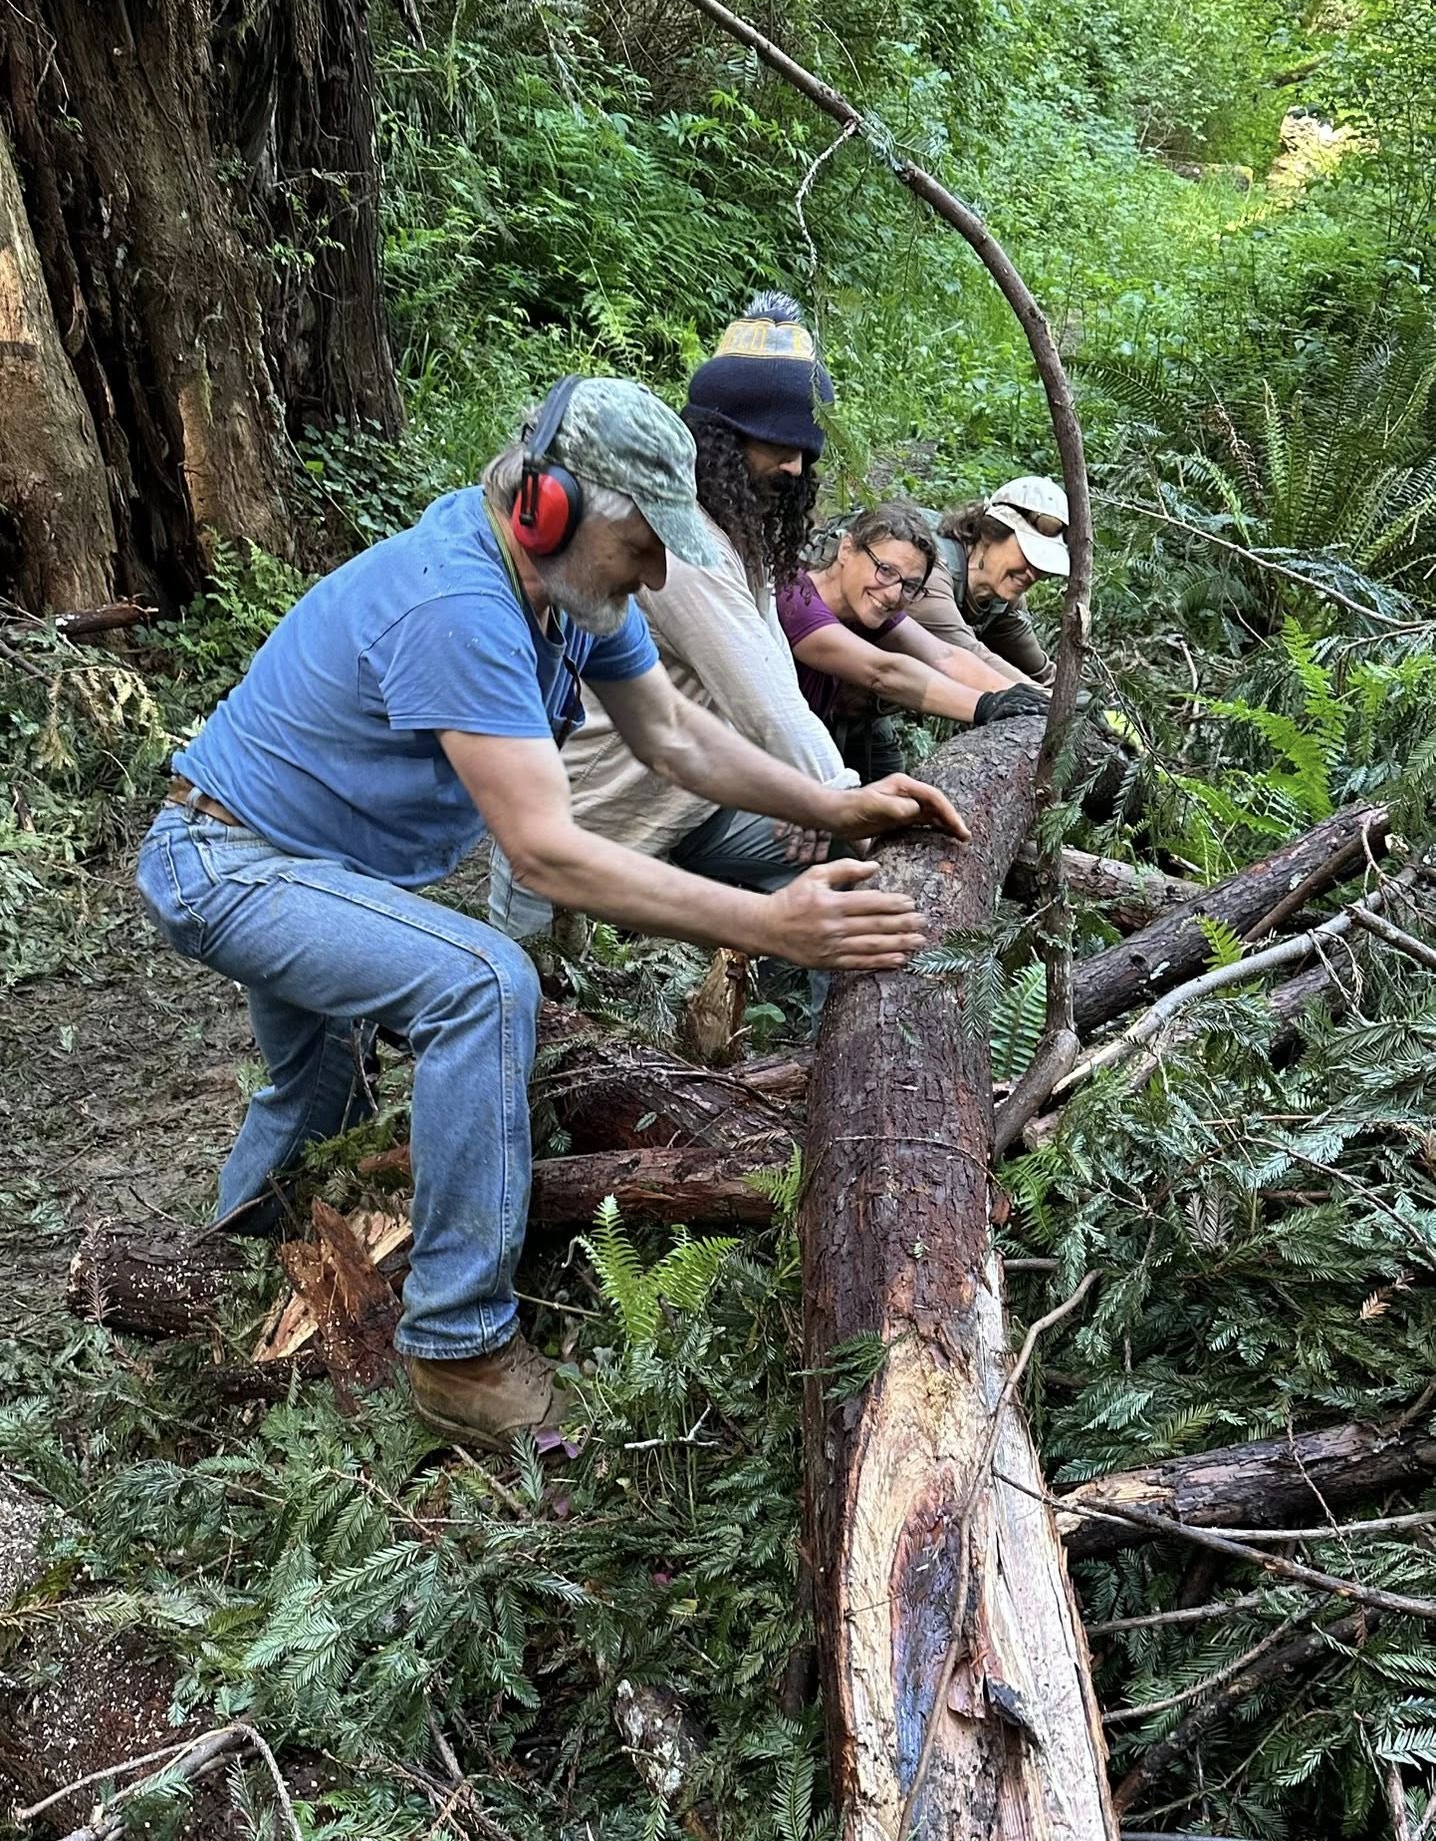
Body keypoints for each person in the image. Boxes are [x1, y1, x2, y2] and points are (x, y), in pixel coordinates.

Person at [135, 376, 966, 1452]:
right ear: (550, 504)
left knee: (316, 1094)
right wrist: (769, 924)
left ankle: (222, 1282)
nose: (658, 570)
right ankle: (459, 1348)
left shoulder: (576, 596)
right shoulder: (460, 604)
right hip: (228, 860)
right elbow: (547, 849)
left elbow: (672, 735)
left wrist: (831, 798)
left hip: (315, 862)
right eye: (642, 543)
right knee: (481, 982)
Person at [489, 293, 857, 944]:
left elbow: (752, 677)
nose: (797, 466)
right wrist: (829, 793)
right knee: (525, 1000)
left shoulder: (742, 536)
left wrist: (818, 796)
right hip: (586, 823)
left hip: (684, 804)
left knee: (847, 873)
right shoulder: (682, 551)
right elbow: (765, 704)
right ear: (721, 439)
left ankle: (818, 1033)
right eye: (779, 444)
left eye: (806, 448)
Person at [778, 500, 1048, 780]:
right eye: (885, 570)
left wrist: (1040, 702)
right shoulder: (796, 599)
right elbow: (882, 672)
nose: (893, 594)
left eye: (909, 586)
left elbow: (945, 656)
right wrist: (986, 705)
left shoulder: (868, 604)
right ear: (847, 549)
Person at [905, 476, 1070, 686]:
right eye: (1028, 555)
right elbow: (965, 656)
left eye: (1043, 564)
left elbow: (1042, 674)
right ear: (990, 533)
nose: (1034, 573)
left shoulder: (1001, 602)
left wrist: (1085, 701)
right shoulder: (929, 568)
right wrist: (1049, 702)